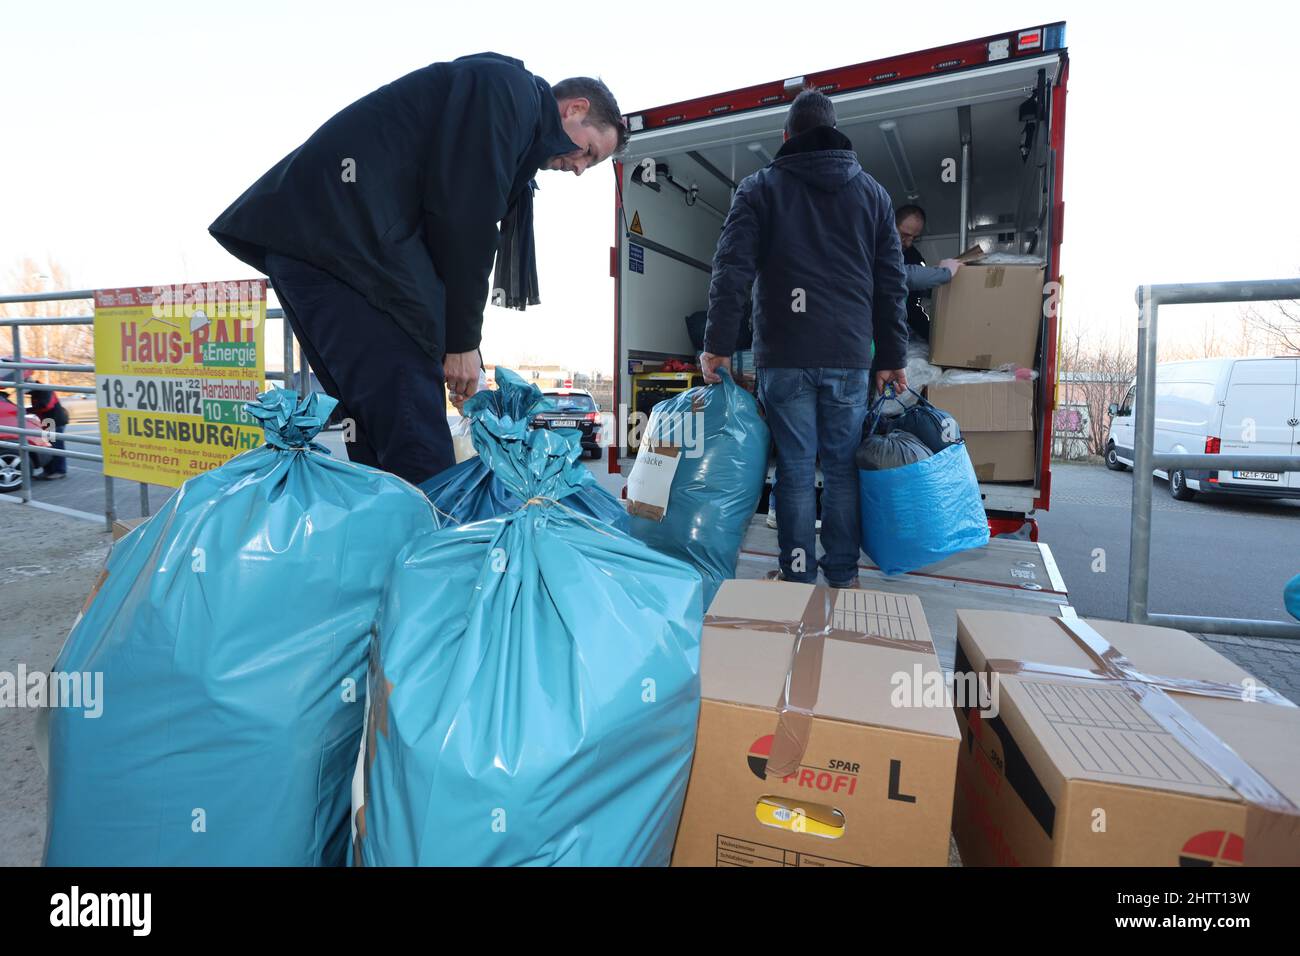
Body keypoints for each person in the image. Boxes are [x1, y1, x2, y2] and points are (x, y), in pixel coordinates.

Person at [210, 53, 626, 486]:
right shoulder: (507, 92)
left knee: (377, 438)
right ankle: (428, 549)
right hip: (342, 248)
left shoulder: (503, 112)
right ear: (574, 109)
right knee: (417, 444)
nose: (579, 168)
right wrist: (461, 343)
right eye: (590, 153)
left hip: (323, 249)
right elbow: (466, 216)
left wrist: (463, 349)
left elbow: (443, 237)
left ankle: (389, 545)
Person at [700, 90, 909, 588]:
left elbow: (731, 271)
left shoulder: (760, 188)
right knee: (841, 468)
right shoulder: (874, 195)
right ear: (836, 131)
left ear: (786, 135)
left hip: (786, 355)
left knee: (794, 468)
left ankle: (797, 573)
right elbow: (891, 282)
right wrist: (893, 356)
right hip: (848, 356)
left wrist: (718, 345)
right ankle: (842, 573)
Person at [895, 204, 963, 344]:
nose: (908, 243)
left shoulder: (914, 257)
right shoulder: (873, 249)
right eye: (904, 235)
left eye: (914, 238)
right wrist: (944, 273)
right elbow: (901, 275)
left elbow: (913, 304)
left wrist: (933, 338)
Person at [29, 383, 68, 480]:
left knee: (56, 446)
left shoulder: (45, 390)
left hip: (54, 421)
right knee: (47, 446)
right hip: (47, 421)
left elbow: (47, 405)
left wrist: (27, 410)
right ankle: (48, 471)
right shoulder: (35, 392)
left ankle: (60, 471)